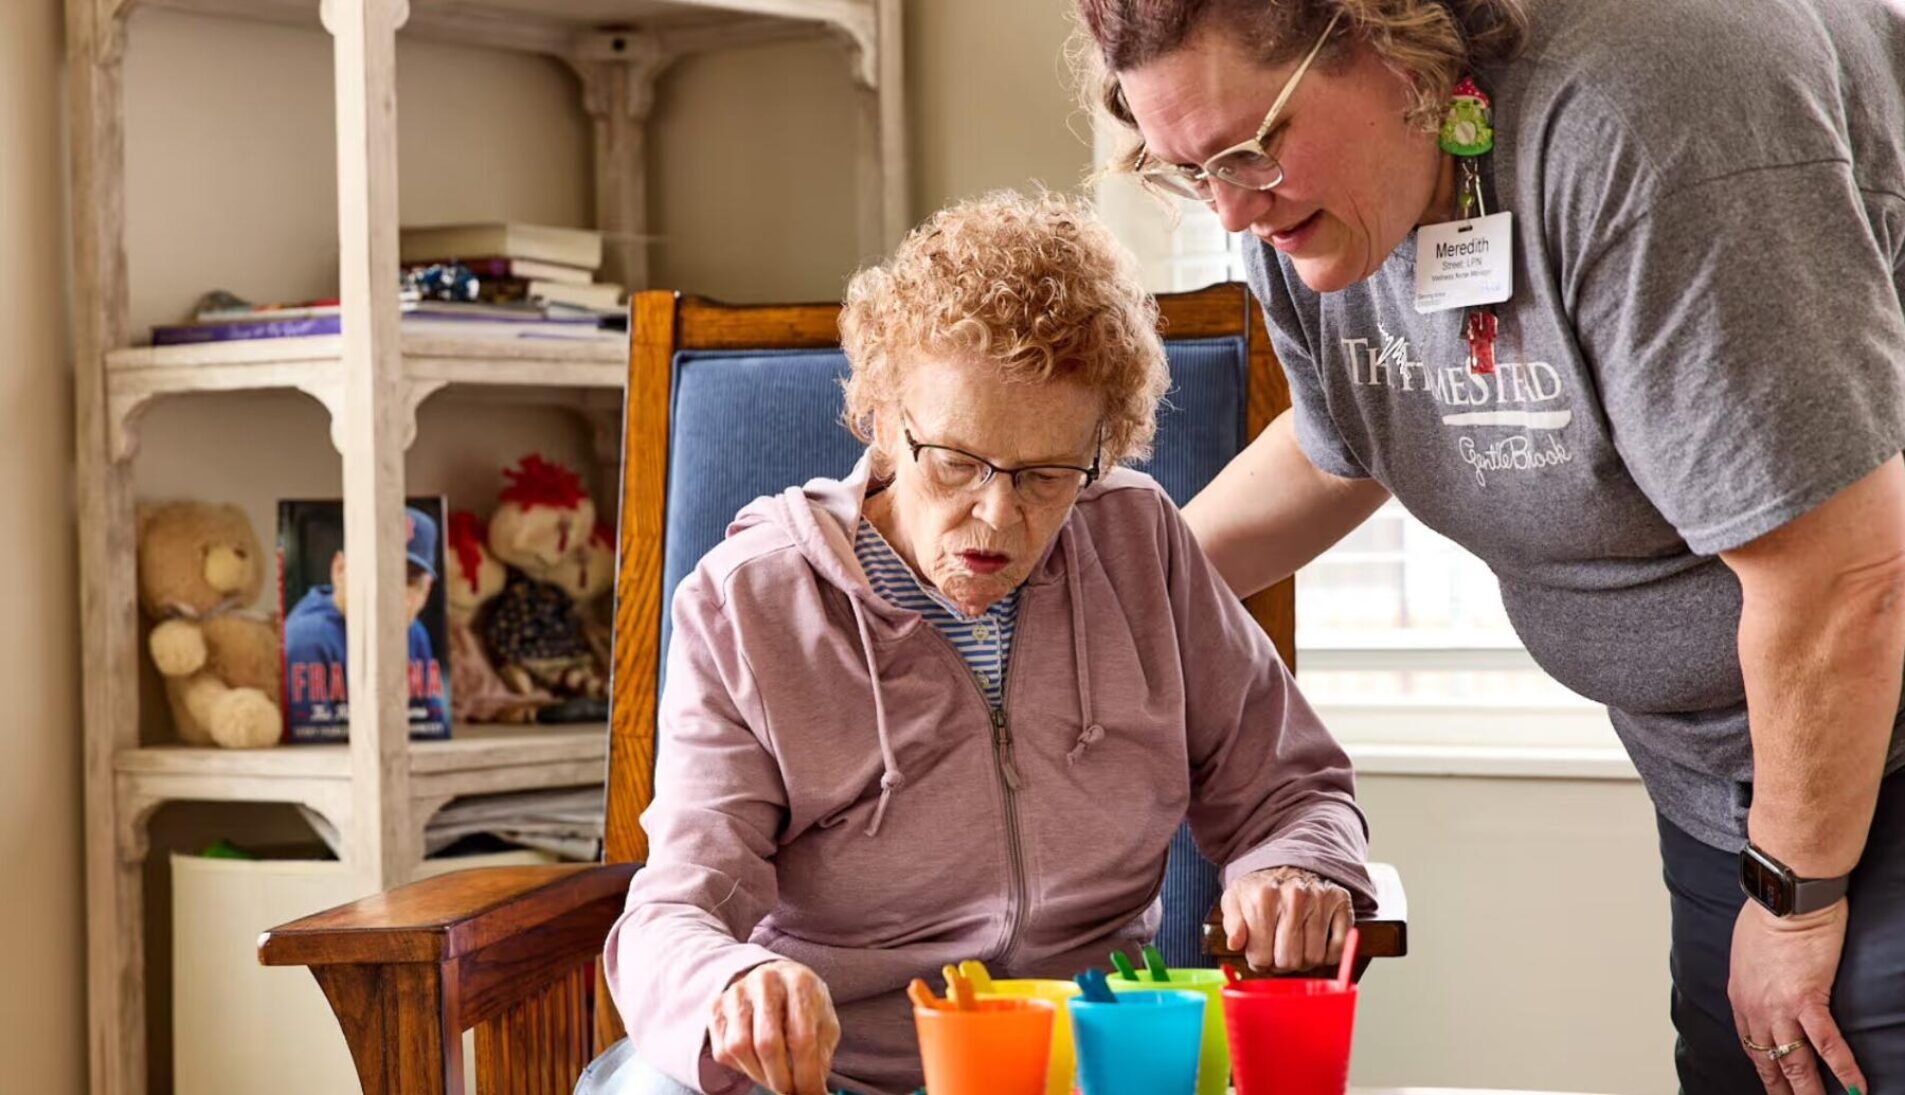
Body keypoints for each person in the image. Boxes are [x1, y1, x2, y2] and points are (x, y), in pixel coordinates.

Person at [1074, 0, 1905, 1091]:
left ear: (1382, 39)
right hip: (1730, 781)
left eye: (1249, 149)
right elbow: (1349, 441)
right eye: (1188, 168)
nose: (1231, 209)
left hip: (1861, 735)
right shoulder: (1319, 202)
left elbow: (1844, 572)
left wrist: (1795, 903)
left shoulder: (1647, 115)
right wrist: (1091, 595)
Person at [597, 191, 1375, 1095]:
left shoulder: (1138, 545)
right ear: (884, 421)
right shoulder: (752, 601)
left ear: (1101, 452)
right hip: (834, 1073)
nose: (996, 518)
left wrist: (1293, 865)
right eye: (957, 463)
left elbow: (1290, 782)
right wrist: (730, 985)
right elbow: (678, 903)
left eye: (1047, 475)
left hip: (1086, 1069)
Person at [283, 504, 448, 733]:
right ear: (340, 569)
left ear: (426, 591)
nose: (392, 593)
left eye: (410, 582)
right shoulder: (307, 640)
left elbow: (432, 730)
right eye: (377, 571)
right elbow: (317, 754)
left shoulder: (414, 632)